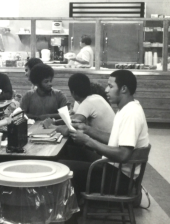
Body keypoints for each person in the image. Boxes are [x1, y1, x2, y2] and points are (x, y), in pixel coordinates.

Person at [60, 70, 150, 223]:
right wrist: (87, 129)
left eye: (110, 86)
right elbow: (114, 139)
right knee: (70, 152)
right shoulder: (127, 108)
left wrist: (88, 141)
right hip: (116, 170)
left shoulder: (131, 114)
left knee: (63, 169)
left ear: (124, 89)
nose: (106, 90)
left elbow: (123, 155)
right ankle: (75, 207)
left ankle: (70, 217)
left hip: (119, 179)